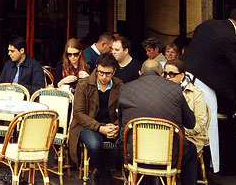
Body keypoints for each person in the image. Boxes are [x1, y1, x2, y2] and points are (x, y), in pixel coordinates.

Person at [182, 7, 236, 173]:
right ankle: (210, 168)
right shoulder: (230, 38)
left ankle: (198, 166)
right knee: (209, 126)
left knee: (190, 124)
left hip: (184, 78)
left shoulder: (207, 25)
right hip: (202, 84)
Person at [118, 59, 198, 185]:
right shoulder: (175, 90)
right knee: (191, 149)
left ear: (140, 73)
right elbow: (190, 123)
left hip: (134, 156)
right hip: (169, 157)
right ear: (161, 74)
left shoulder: (125, 89)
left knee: (123, 144)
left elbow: (122, 124)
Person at [68, 53, 122, 185]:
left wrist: (116, 126)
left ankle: (99, 170)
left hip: (110, 124)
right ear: (96, 68)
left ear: (114, 71)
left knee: (122, 144)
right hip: (87, 124)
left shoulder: (119, 85)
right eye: (101, 72)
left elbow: (123, 112)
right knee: (95, 145)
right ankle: (105, 174)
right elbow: (79, 114)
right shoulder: (84, 84)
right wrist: (100, 128)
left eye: (108, 74)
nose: (104, 77)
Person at [163, 59, 209, 156]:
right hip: (165, 137)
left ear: (182, 76)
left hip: (190, 137)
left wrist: (177, 130)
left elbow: (200, 125)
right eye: (165, 74)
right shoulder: (161, 91)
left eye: (171, 74)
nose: (167, 77)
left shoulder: (195, 93)